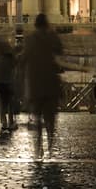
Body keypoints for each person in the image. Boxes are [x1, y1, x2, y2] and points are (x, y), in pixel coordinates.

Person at [17, 12, 65, 156]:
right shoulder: (52, 37)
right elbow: (59, 51)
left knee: (37, 117)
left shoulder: (30, 38)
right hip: (50, 82)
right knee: (50, 118)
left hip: (35, 83)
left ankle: (38, 148)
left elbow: (23, 59)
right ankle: (50, 145)